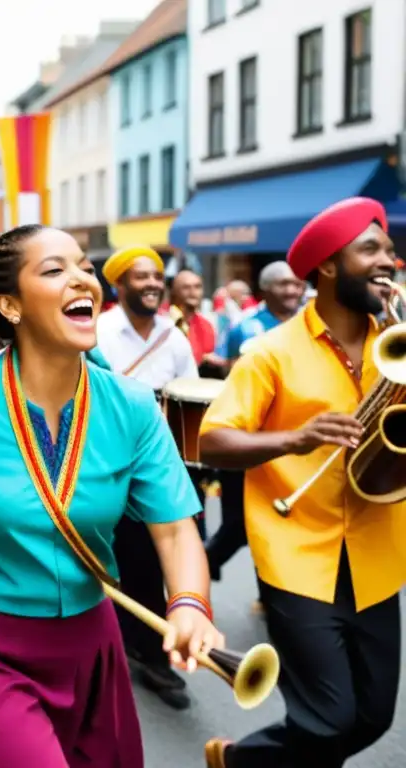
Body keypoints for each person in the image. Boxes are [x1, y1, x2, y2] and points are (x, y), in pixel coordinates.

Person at [0, 225, 221, 767]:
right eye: (55, 270)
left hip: (89, 649)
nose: (82, 278)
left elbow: (174, 529)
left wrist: (190, 603)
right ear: (10, 305)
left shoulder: (132, 407)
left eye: (84, 265)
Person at [199, 197, 405, 768]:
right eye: (371, 249)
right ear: (329, 266)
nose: (388, 260)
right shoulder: (269, 353)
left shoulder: (399, 342)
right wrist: (293, 439)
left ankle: (242, 762)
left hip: (379, 553)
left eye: (389, 249)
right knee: (328, 719)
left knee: (373, 716)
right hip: (297, 555)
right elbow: (212, 440)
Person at [95, 245, 201, 709]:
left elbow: (194, 397)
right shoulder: (98, 331)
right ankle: (122, 652)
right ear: (119, 285)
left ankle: (152, 657)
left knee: (160, 562)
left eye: (158, 276)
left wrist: (194, 464)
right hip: (107, 463)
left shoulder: (174, 337)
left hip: (162, 464)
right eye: (141, 277)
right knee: (120, 563)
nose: (154, 283)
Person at [206, 260, 304, 586]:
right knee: (238, 523)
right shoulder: (245, 328)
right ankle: (201, 568)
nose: (292, 290)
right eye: (283, 284)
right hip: (251, 442)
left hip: (296, 442)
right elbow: (231, 376)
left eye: (295, 284)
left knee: (283, 519)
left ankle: (270, 594)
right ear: (265, 290)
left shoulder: (310, 324)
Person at [170, 268, 226, 377]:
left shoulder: (205, 325)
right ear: (174, 291)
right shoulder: (165, 320)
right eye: (186, 287)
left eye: (197, 287)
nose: (193, 291)